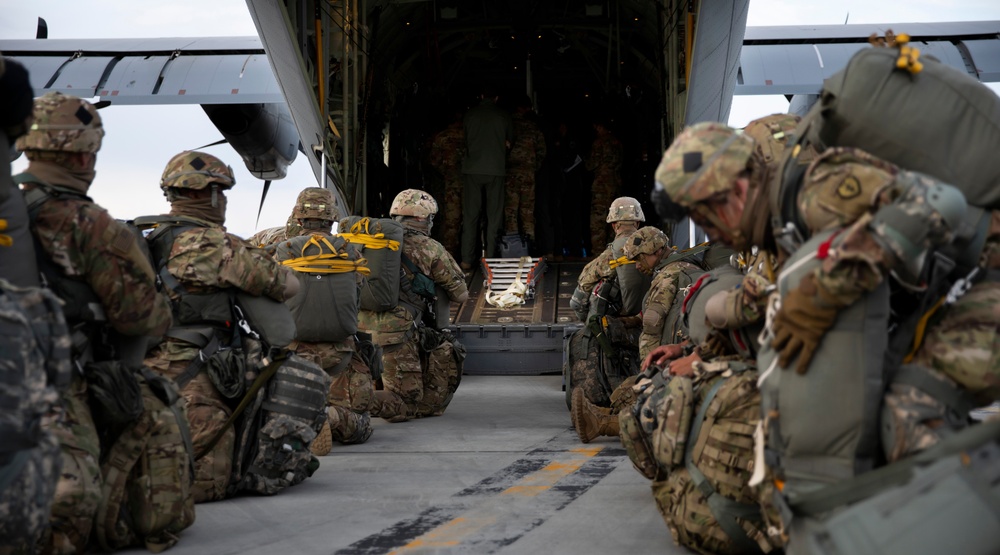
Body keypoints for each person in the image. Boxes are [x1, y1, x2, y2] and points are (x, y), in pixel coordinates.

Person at [15, 92, 173, 554]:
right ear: (86, 154)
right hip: (54, 381)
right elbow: (142, 317)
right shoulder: (89, 225)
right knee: (68, 507)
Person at [141, 150, 300, 503]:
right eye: (222, 192)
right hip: (196, 375)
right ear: (209, 194)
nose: (225, 200)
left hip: (141, 373)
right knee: (209, 484)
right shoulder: (215, 245)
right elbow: (288, 285)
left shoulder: (146, 240)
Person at [270, 187, 378, 455]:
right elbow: (356, 297)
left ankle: (300, 420)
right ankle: (329, 417)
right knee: (361, 426)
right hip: (340, 353)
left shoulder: (281, 251)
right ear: (332, 220)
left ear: (298, 219)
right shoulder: (351, 252)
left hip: (292, 353)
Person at [571, 225, 702, 443]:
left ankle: (603, 422)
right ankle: (601, 417)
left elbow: (652, 322)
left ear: (657, 252)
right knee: (630, 391)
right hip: (686, 352)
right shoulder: (684, 266)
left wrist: (648, 370)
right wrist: (633, 320)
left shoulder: (667, 277)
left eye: (640, 258)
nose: (637, 265)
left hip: (674, 358)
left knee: (638, 391)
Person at [358, 189, 469, 421]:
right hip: (397, 334)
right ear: (422, 218)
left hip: (358, 330)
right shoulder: (429, 248)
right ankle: (350, 403)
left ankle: (351, 397)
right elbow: (460, 294)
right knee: (404, 407)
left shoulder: (367, 242)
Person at [460, 85, 513, 271]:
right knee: (494, 215)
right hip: (495, 170)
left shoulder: (470, 115)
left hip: (472, 170)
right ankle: (491, 259)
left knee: (471, 215)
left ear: (481, 95)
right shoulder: (503, 116)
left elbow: (464, 140)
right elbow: (510, 142)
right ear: (496, 98)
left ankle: (467, 259)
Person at [503, 96, 546, 243]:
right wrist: (533, 166)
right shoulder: (532, 127)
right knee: (527, 212)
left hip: (511, 173)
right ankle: (530, 244)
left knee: (511, 212)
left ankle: (513, 247)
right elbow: (541, 150)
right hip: (528, 174)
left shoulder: (507, 126)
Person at [428, 110, 465, 258]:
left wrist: (445, 172)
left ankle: (449, 255)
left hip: (450, 183)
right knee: (472, 219)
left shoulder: (442, 137)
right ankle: (470, 254)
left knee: (451, 221)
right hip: (470, 183)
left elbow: (434, 160)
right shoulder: (468, 136)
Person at [585, 116, 623, 255]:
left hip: (601, 185)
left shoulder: (599, 143)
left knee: (598, 221)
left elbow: (591, 164)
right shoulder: (617, 143)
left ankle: (598, 254)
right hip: (615, 184)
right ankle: (613, 251)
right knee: (615, 220)